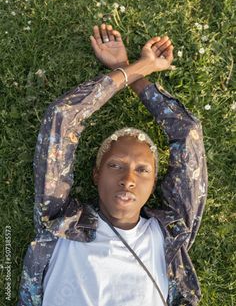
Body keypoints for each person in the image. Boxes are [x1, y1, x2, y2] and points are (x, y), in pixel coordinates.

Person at [17, 23, 208, 306]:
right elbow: (62, 118)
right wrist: (134, 69)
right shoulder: (60, 221)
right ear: (96, 175)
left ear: (155, 183)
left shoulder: (171, 234)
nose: (128, 178)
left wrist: (135, 71)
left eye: (143, 170)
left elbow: (188, 132)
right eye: (116, 165)